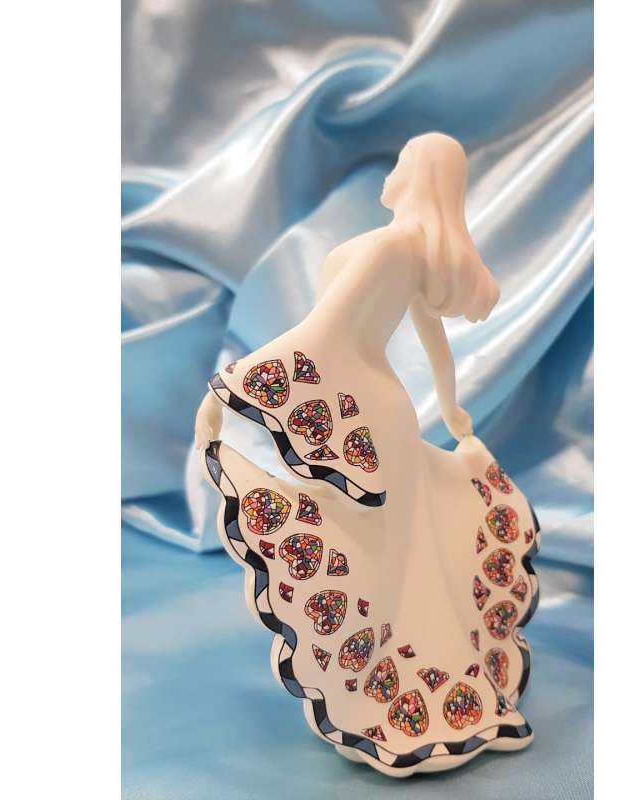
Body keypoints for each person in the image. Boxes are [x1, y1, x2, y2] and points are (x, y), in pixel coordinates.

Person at [194, 133, 540, 777]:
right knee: (402, 546)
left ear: (419, 174)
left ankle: (385, 687)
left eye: (402, 159)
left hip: (367, 408)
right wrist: (451, 406)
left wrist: (230, 387)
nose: (392, 167)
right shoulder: (412, 246)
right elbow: (430, 338)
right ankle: (436, 684)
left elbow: (322, 330)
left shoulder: (390, 245)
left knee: (381, 548)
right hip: (382, 405)